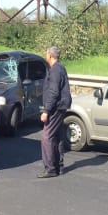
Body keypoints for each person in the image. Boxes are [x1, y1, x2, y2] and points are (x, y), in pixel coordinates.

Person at [38, 46, 72, 178]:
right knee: (57, 136)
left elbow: (53, 91)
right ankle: (59, 166)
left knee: (46, 136)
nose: (46, 56)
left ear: (50, 56)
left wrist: (46, 110)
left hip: (56, 107)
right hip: (60, 106)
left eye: (46, 54)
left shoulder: (55, 70)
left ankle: (51, 168)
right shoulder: (60, 68)